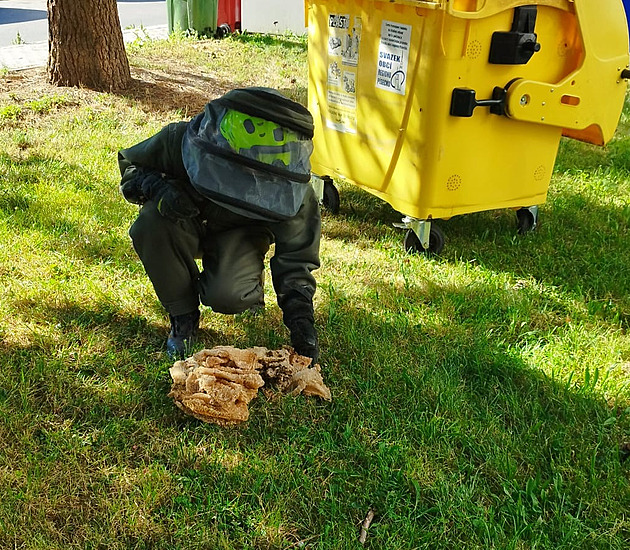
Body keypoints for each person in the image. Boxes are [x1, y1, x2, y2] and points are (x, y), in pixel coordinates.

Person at [118, 87, 320, 363]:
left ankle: (246, 278)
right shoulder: (182, 139)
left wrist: (301, 321)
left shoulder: (292, 189)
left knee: (229, 296)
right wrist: (157, 187)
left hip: (240, 235)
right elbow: (131, 163)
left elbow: (297, 257)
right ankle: (183, 317)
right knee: (149, 223)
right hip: (183, 223)